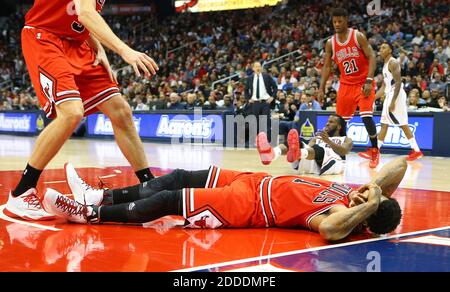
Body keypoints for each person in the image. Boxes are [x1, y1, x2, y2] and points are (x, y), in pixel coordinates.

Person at [5, 0, 159, 221]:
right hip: (45, 37)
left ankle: (149, 186)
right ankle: (22, 191)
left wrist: (98, 47)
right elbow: (85, 13)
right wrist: (124, 50)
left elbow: (77, 17)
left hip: (77, 44)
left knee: (121, 111)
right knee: (71, 112)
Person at [43, 157, 406, 242]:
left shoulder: (340, 213)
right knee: (178, 176)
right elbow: (400, 164)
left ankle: (90, 213)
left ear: (366, 216)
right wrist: (375, 190)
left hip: (248, 206)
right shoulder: (360, 196)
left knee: (171, 198)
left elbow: (330, 231)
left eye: (366, 200)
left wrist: (369, 205)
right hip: (254, 179)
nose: (361, 192)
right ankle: (99, 194)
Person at [318, 8, 380, 168]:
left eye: (340, 21)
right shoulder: (330, 43)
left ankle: (374, 150)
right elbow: (326, 66)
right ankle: (340, 154)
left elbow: (372, 56)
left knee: (366, 116)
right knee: (340, 122)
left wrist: (369, 79)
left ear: (346, 20)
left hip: (363, 83)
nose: (337, 24)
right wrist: (321, 87)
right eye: (334, 22)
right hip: (346, 84)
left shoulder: (357, 36)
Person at [256, 114, 353, 176]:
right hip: (311, 162)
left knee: (322, 150)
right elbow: (309, 148)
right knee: (298, 143)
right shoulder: (318, 138)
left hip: (334, 165)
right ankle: (272, 154)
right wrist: (300, 147)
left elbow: (344, 151)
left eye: (331, 122)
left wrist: (328, 141)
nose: (327, 124)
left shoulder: (346, 139)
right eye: (327, 121)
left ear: (339, 127)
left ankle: (299, 153)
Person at [377, 43, 423, 161]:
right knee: (391, 123)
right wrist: (373, 98)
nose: (381, 50)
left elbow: (398, 82)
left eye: (384, 48)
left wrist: (392, 101)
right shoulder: (385, 64)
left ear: (390, 50)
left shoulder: (393, 62)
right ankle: (416, 150)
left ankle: (375, 150)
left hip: (395, 94)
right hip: (390, 93)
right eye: (380, 48)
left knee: (391, 123)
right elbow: (384, 86)